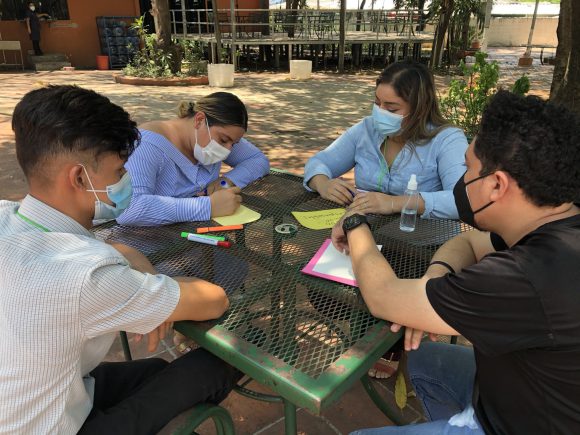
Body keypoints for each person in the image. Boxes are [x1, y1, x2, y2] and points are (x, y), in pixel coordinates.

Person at [331, 90, 580, 434]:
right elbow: (467, 241)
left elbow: (382, 296)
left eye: (468, 168)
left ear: (496, 185)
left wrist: (355, 223)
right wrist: (434, 282)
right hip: (519, 389)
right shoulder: (557, 223)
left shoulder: (525, 276)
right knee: (425, 358)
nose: (461, 181)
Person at [0, 85, 242, 434]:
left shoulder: (10, 216)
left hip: (36, 395)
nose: (127, 181)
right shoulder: (86, 276)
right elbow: (214, 300)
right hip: (49, 426)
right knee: (216, 365)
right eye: (118, 172)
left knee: (154, 372)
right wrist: (159, 290)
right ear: (79, 177)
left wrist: (144, 279)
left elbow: (117, 250)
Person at [304, 61, 467, 220]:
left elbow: (463, 200)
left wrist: (394, 203)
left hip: (423, 243)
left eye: (391, 108)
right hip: (367, 232)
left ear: (420, 109)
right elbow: (319, 162)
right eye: (377, 103)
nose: (380, 112)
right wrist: (322, 184)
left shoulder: (448, 140)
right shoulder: (366, 130)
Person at [117, 92, 270, 227]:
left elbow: (258, 160)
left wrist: (226, 181)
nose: (227, 150)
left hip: (197, 244)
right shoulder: (145, 145)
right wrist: (208, 207)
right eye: (223, 140)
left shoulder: (218, 137)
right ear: (199, 120)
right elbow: (129, 209)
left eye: (233, 144)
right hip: (150, 249)